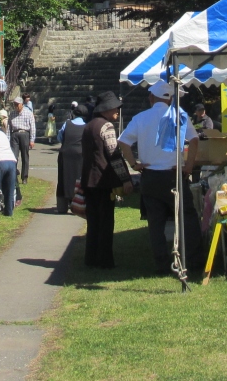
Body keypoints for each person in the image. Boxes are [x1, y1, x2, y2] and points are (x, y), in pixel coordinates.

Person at [118, 80, 204, 276]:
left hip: (150, 175)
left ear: (151, 97)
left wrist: (134, 164)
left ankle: (161, 264)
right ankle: (195, 259)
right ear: (171, 99)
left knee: (155, 222)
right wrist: (189, 165)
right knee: (187, 217)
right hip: (174, 174)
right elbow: (194, 139)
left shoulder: (141, 118)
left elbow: (123, 141)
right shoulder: (179, 114)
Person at [80, 91, 133, 268]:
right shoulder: (107, 126)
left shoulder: (88, 126)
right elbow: (114, 155)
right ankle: (104, 260)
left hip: (88, 179)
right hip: (103, 181)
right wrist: (125, 179)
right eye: (115, 107)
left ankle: (90, 258)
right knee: (106, 222)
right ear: (106, 109)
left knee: (93, 222)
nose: (117, 110)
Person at [56, 100, 88, 214]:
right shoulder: (86, 127)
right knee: (79, 179)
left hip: (65, 154)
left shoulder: (67, 124)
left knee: (63, 179)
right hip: (80, 155)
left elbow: (60, 137)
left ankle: (62, 206)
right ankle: (78, 203)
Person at [8, 95, 35, 184]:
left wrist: (32, 139)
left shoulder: (28, 113)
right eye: (14, 104)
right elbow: (8, 127)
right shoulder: (12, 114)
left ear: (22, 104)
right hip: (14, 134)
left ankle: (24, 177)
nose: (16, 106)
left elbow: (32, 127)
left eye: (17, 104)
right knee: (14, 156)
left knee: (25, 156)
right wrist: (8, 139)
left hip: (25, 133)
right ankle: (13, 176)